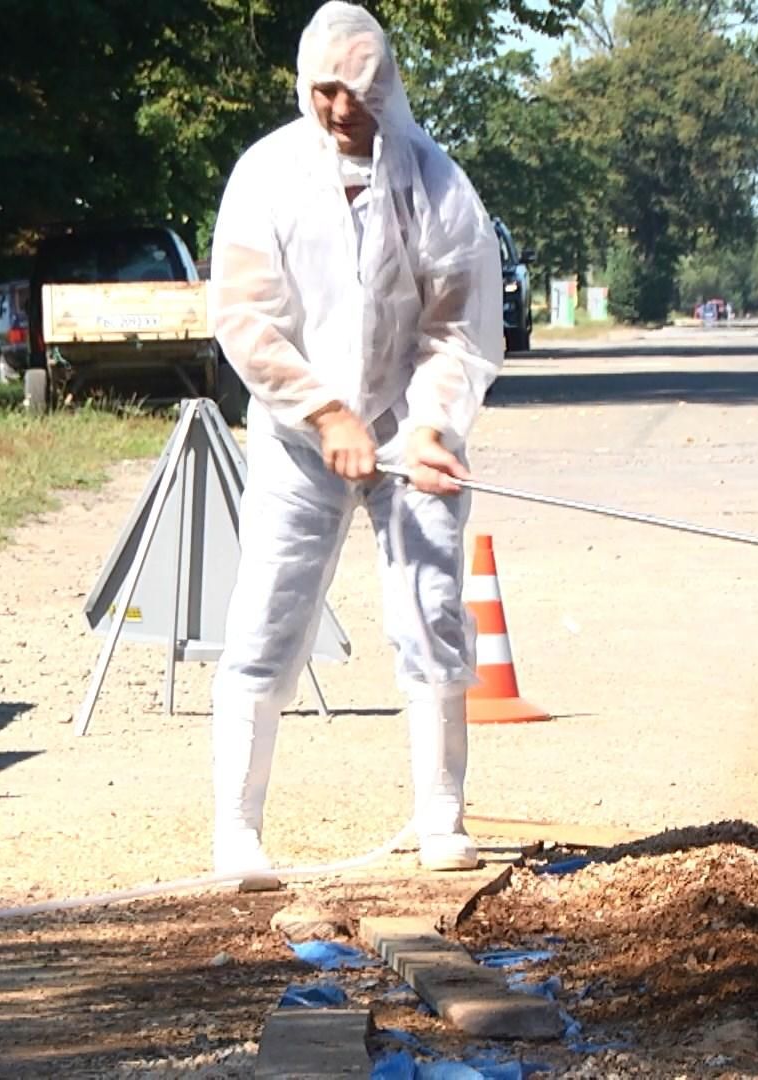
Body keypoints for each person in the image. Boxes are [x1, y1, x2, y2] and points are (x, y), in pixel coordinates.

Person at [205, 1, 503, 882]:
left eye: (360, 90)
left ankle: (440, 819)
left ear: (390, 90)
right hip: (299, 436)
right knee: (267, 612)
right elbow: (247, 320)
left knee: (432, 605)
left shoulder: (437, 186)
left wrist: (431, 426)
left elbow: (456, 328)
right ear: (306, 83)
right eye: (326, 88)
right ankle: (236, 832)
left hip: (409, 429)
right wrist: (324, 412)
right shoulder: (266, 176)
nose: (341, 107)